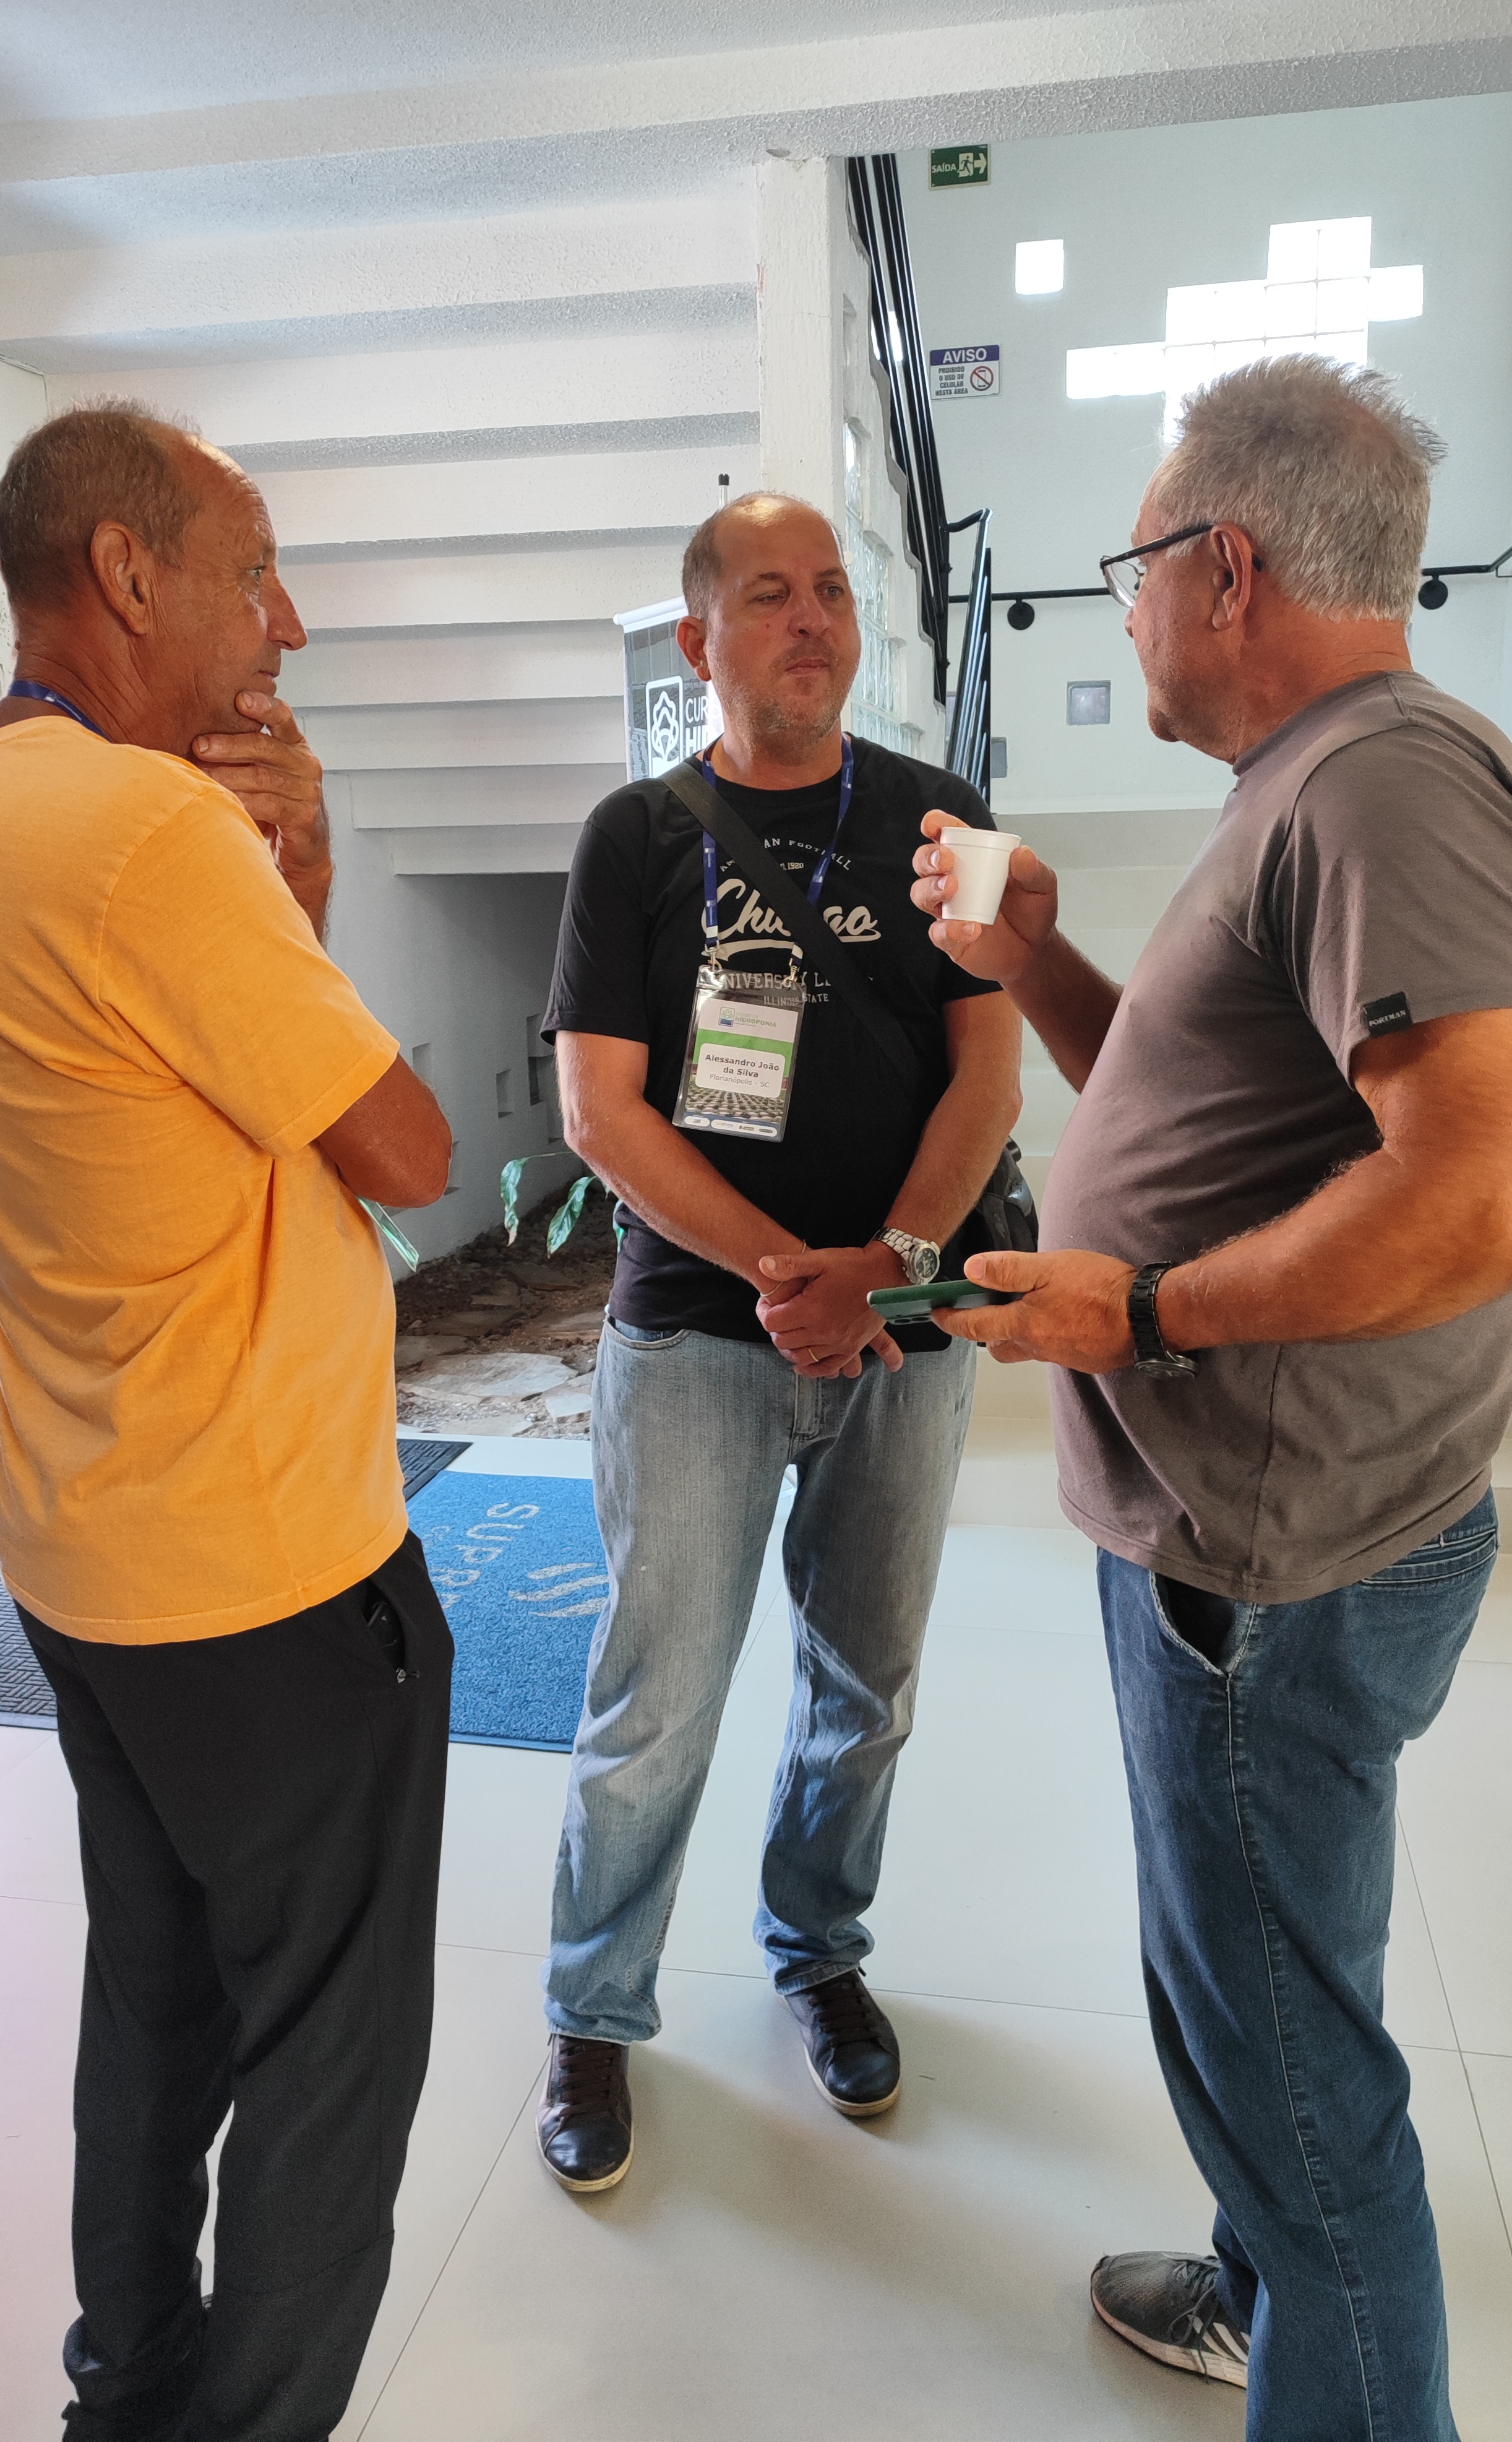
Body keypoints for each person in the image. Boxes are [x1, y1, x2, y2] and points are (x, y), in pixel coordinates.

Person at [909, 358, 1512, 2442]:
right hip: (1265, 1540)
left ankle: (1325, 2341)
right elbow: (1231, 1113)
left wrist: (1147, 1316)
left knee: (1297, 2083)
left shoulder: (1388, 783)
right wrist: (1038, 959)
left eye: (1131, 568)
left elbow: (1503, 1191)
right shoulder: (1309, 782)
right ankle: (1253, 2287)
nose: (1120, 609)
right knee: (1261, 2002)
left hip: (1274, 1569)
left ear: (1225, 566)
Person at [0, 402, 455, 2442]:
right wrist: (296, 866)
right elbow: (404, 1145)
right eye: (252, 573)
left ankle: (123, 2399)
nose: (284, 624)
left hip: (83, 1545)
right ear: (127, 575)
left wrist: (277, 883)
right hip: (268, 1567)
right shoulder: (152, 837)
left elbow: (210, 1087)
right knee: (328, 2066)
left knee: (158, 2002)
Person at [535, 490, 1021, 2190]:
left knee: (866, 1686)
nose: (811, 617)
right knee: (655, 1698)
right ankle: (593, 2008)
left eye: (831, 590)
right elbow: (600, 1112)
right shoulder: (632, 836)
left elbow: (990, 1075)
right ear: (701, 639)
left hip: (904, 1339)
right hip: (693, 1337)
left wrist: (886, 1269)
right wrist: (782, 1277)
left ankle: (819, 1949)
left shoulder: (951, 818)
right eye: (767, 593)